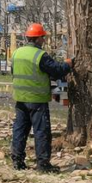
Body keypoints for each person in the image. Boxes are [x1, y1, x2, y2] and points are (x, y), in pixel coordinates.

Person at [10, 22, 71, 173]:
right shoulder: (40, 55)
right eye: (42, 37)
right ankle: (43, 164)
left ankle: (17, 161)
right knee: (41, 132)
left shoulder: (17, 53)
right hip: (37, 100)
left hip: (20, 99)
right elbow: (56, 71)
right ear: (37, 39)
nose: (43, 40)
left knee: (20, 130)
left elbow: (15, 72)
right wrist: (68, 64)